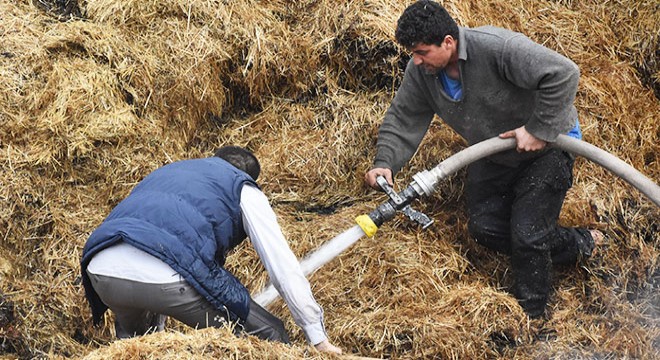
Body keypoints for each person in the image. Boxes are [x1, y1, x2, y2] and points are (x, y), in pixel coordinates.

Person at [364, 0, 602, 318]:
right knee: (483, 227)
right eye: (413, 53)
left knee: (528, 233)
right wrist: (385, 162)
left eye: (421, 52)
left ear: (448, 42)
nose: (416, 61)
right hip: (493, 149)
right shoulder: (422, 72)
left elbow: (564, 73)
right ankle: (577, 243)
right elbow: (405, 115)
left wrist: (538, 129)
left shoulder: (498, 48)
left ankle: (533, 317)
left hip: (548, 148)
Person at [81, 146, 342, 353]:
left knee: (139, 347)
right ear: (248, 176)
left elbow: (156, 239)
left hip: (101, 270)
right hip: (163, 276)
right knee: (270, 335)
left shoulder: (172, 172)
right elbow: (282, 267)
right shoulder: (242, 187)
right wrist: (316, 335)